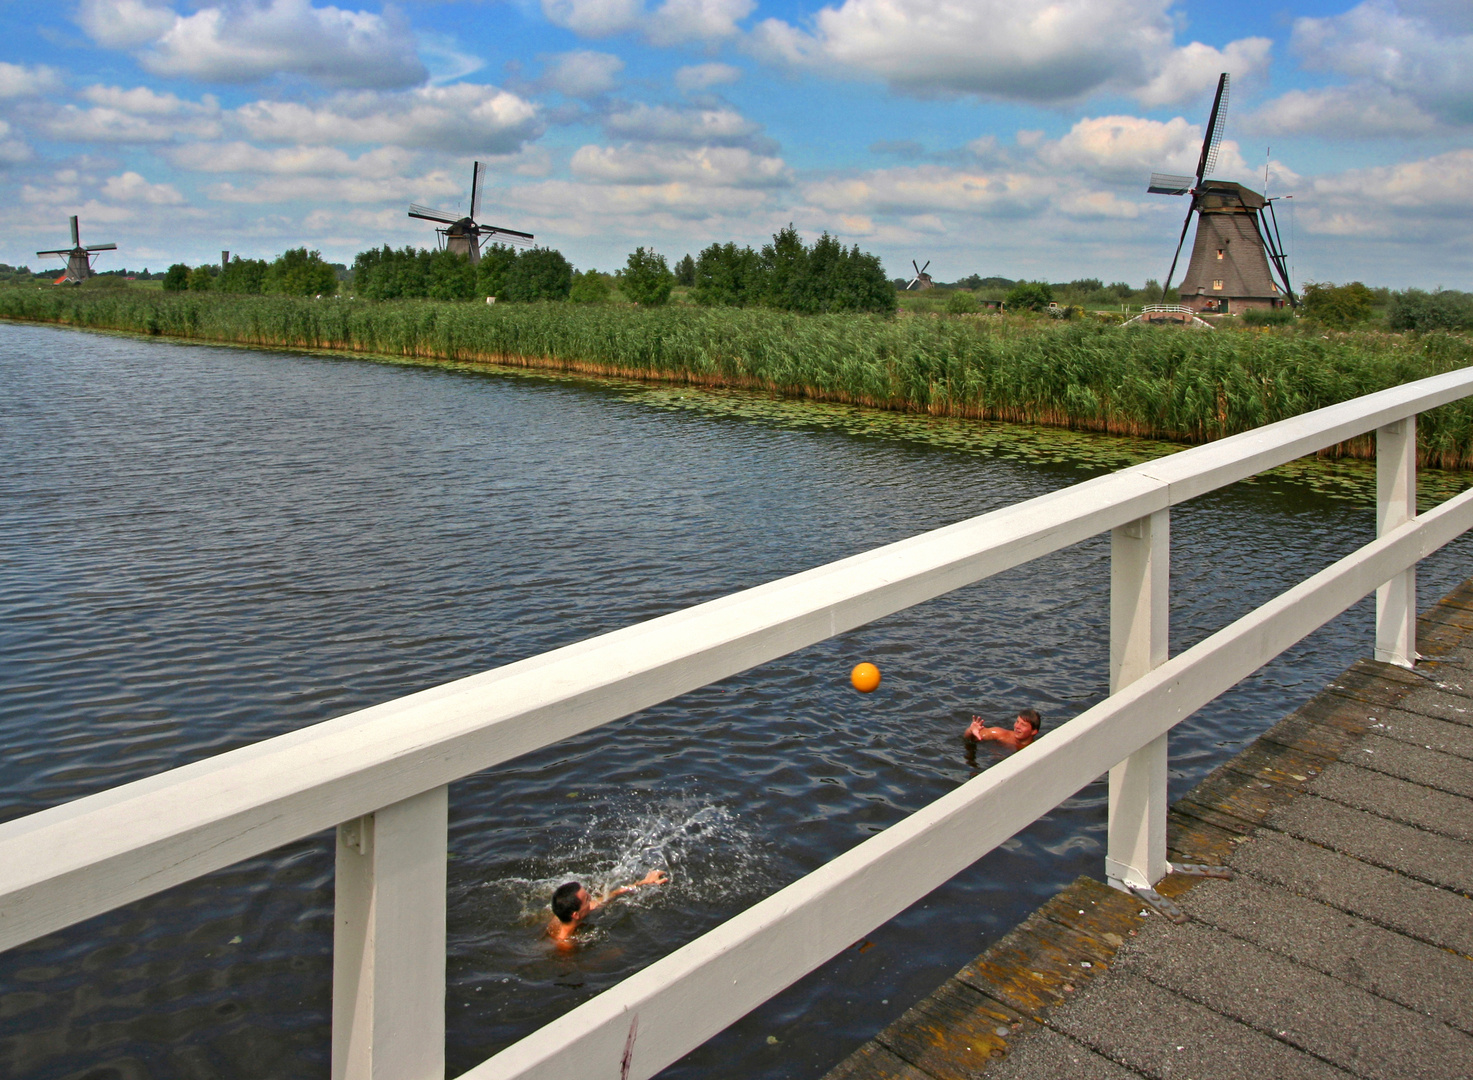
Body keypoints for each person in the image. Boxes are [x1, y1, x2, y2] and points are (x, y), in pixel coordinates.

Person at [547, 869, 669, 947]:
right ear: (575, 915)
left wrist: (645, 882)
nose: (591, 899)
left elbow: (613, 894)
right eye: (587, 899)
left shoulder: (563, 914)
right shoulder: (566, 945)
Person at [965, 708, 1042, 752]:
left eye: (1023, 725)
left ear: (1034, 731)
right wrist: (970, 731)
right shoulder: (1001, 735)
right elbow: (971, 738)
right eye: (1017, 722)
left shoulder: (1035, 748)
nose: (1017, 726)